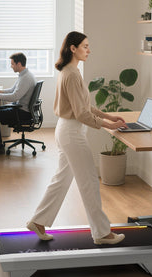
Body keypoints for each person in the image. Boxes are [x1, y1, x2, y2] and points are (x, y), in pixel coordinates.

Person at [27, 31, 128, 245]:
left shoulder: (70, 71)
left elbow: (84, 106)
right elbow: (81, 113)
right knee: (89, 182)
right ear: (73, 48)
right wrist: (110, 126)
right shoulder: (71, 74)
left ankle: (38, 221)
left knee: (62, 179)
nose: (89, 50)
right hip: (72, 132)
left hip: (68, 130)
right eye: (85, 46)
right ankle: (101, 233)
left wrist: (108, 116)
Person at [0, 53, 36, 154]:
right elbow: (12, 90)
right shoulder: (24, 75)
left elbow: (14, 97)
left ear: (19, 64)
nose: (11, 66)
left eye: (12, 64)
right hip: (20, 109)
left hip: (22, 112)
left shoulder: (26, 78)